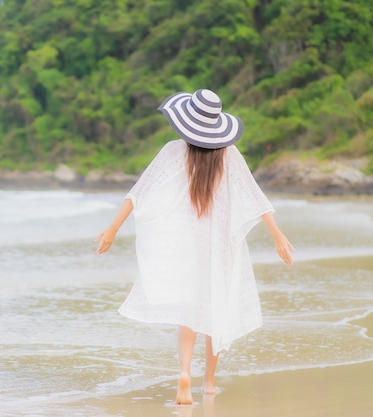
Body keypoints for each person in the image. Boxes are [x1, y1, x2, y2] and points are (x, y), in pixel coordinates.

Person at [95, 89, 295, 404]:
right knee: (216, 308)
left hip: (189, 242)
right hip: (221, 243)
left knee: (190, 310)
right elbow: (255, 197)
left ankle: (184, 373)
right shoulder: (228, 153)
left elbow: (139, 191)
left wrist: (113, 228)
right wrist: (277, 235)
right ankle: (210, 383)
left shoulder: (174, 151)